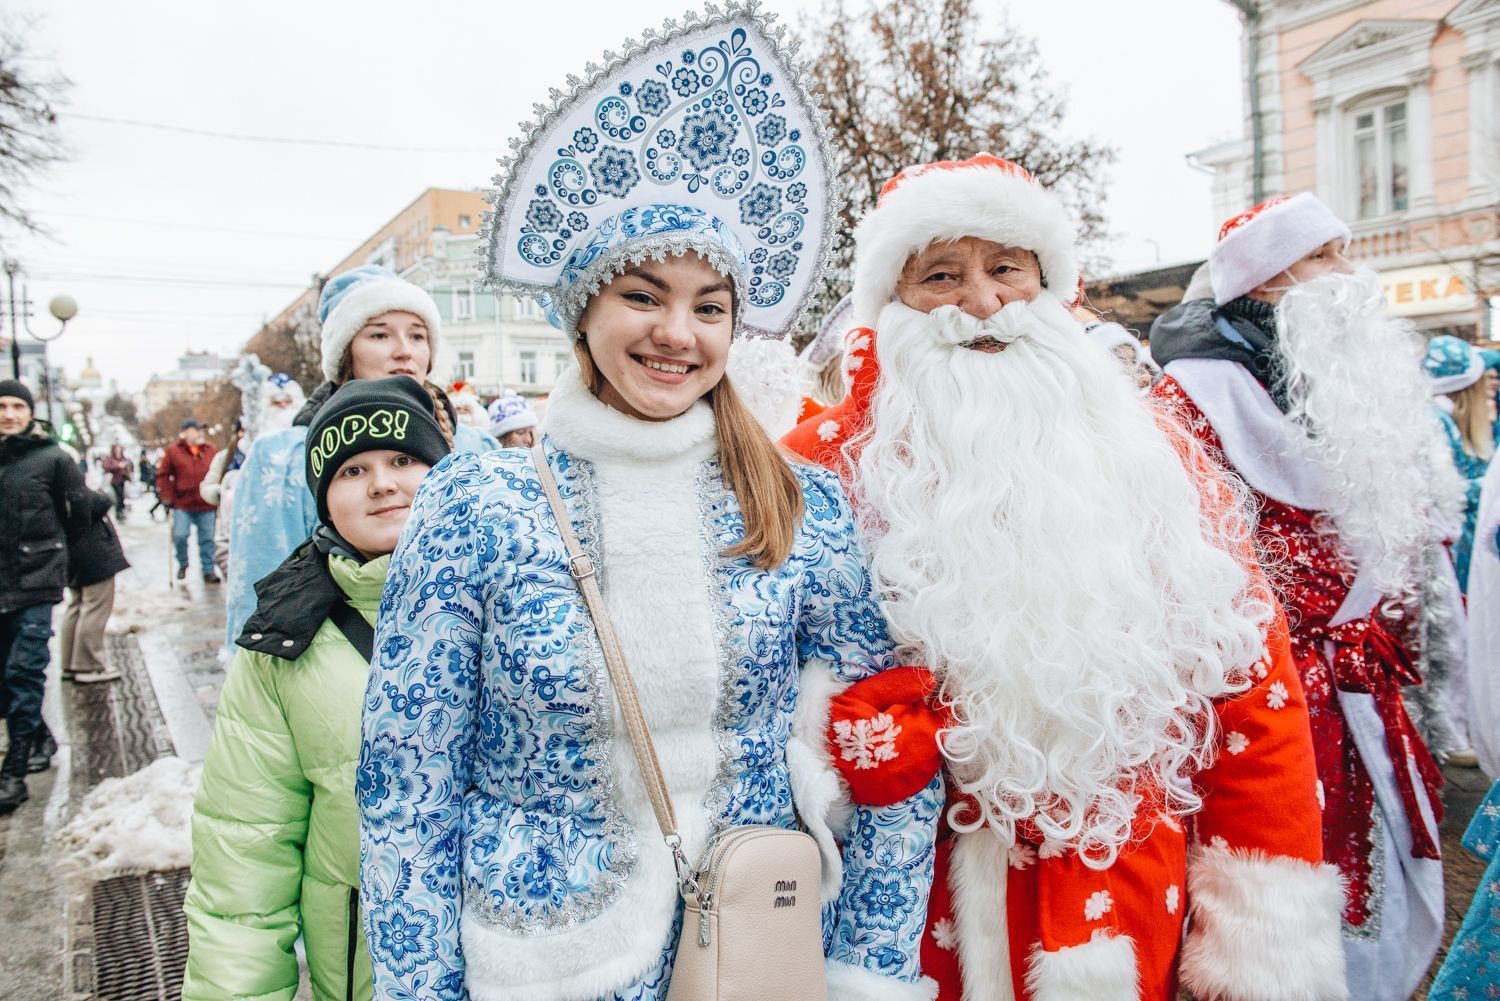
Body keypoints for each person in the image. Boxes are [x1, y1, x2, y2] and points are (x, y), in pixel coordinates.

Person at [358, 10, 940, 999]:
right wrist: (423, 987)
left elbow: (889, 746)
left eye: (709, 306)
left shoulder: (799, 502)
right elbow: (407, 782)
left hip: (752, 958)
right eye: (643, 295)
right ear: (583, 309)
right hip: (542, 969)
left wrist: (866, 967)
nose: (678, 332)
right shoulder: (479, 500)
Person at [782, 155, 1339, 1001]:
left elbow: (1254, 694)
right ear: (892, 301)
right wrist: (845, 733)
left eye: (1006, 268)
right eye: (942, 275)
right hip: (897, 920)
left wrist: (1260, 944)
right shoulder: (815, 468)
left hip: (1120, 903)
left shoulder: (1154, 458)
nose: (982, 301)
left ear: (1048, 286)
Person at [1149, 193, 1449, 1001]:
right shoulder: (1191, 399)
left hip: (1359, 692)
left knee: (1372, 890)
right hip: (1257, 706)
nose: (1348, 271)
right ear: (1266, 276)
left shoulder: (1337, 387)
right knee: (1271, 909)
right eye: (1322, 255)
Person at [183, 377, 450, 1001]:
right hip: (372, 972)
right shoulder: (283, 642)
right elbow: (244, 853)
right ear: (324, 501)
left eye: (404, 460)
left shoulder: (523, 602)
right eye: (352, 470)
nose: (382, 483)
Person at [224, 266, 497, 650]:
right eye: (380, 334)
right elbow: (260, 595)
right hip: (332, 663)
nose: (404, 350)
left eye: (417, 335)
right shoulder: (281, 458)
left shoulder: (478, 448)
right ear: (345, 351)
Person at [0, 379, 88, 811]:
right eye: (2, 406)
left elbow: (79, 515)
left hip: (36, 582)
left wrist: (69, 569)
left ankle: (12, 772)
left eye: (17, 406)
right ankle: (40, 739)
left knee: (24, 671)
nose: (9, 414)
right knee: (6, 677)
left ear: (30, 412)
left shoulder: (53, 459)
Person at [1422, 334, 1495, 593]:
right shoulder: (1434, 421)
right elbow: (1441, 493)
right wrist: (1490, 487)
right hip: (1456, 547)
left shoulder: (1445, 419)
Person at [158, 419, 219, 584]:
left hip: (206, 503)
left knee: (207, 538)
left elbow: (219, 472)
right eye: (196, 430)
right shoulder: (173, 451)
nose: (200, 433)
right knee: (180, 535)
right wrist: (166, 496)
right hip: (182, 503)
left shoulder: (211, 450)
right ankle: (183, 563)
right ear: (185, 433)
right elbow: (163, 475)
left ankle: (208, 569)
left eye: (201, 430)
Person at [200, 420, 246, 585]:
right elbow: (207, 487)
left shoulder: (268, 456)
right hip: (230, 525)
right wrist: (224, 493)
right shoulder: (224, 458)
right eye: (243, 431)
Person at [101, 443, 132, 519]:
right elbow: (107, 467)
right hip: (114, 480)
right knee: (119, 496)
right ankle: (119, 512)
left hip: (122, 480)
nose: (118, 451)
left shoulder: (122, 457)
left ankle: (121, 511)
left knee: (122, 496)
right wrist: (118, 466)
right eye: (117, 450)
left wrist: (126, 466)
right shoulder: (111, 459)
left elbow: (129, 465)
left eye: (119, 450)